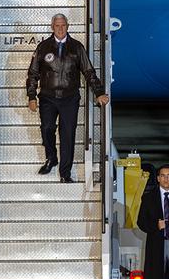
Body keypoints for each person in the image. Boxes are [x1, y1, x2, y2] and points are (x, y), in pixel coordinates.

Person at [26, 13, 109, 183]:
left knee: (68, 135)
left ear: (68, 26)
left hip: (69, 99)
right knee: (47, 129)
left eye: (63, 25)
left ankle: (65, 173)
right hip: (48, 98)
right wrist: (32, 96)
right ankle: (51, 157)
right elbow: (33, 73)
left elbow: (88, 72)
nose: (60, 29)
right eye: (57, 26)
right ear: (52, 27)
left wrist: (99, 92)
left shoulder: (77, 47)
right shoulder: (43, 47)